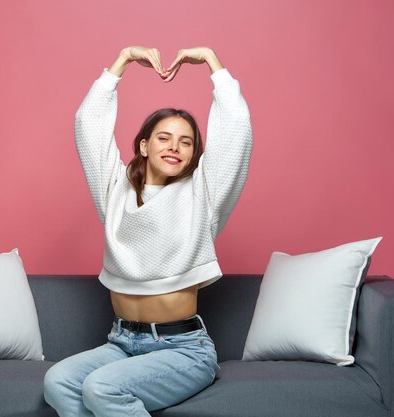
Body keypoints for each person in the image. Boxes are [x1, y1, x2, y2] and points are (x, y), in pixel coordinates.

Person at [43, 45, 254, 417]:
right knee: (57, 381)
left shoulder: (202, 193)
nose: (175, 147)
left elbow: (237, 128)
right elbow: (87, 125)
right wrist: (122, 60)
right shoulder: (114, 190)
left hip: (183, 348)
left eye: (186, 142)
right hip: (121, 342)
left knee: (101, 388)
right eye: (164, 137)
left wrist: (211, 61)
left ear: (194, 155)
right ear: (143, 145)